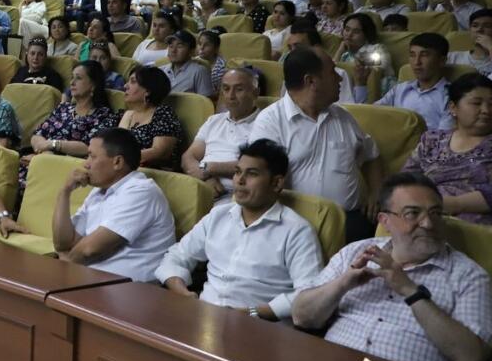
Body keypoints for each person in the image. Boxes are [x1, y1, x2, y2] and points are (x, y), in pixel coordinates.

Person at [291, 172, 492, 361]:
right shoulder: (354, 252)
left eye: (435, 213)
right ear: (385, 220)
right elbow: (301, 316)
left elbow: (472, 359)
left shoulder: (469, 276)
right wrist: (342, 284)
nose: (428, 224)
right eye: (412, 213)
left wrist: (410, 291)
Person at [158, 140, 324, 319]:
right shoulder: (218, 216)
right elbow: (176, 256)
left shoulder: (296, 231)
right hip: (204, 317)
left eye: (252, 174)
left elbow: (309, 294)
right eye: (237, 172)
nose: (240, 180)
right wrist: (183, 293)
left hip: (258, 326)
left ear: (276, 183)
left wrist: (252, 312)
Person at [249, 47, 382, 241]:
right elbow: (261, 182)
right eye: (332, 72)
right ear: (310, 81)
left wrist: (376, 192)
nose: (340, 79)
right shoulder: (270, 122)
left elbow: (372, 155)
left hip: (349, 222)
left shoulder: (343, 117)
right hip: (294, 226)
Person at [51, 127, 176, 281]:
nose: (86, 164)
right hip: (93, 280)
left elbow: (90, 250)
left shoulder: (141, 192)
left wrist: (64, 265)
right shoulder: (99, 191)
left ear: (117, 162)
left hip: (129, 288)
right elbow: (62, 243)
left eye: (92, 156)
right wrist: (65, 192)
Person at [402, 74, 492, 227]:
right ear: (453, 108)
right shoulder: (432, 140)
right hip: (424, 220)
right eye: (476, 103)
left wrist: (453, 204)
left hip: (482, 228)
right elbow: (404, 182)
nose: (486, 110)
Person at [181, 68, 261, 202]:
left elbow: (255, 166)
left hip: (235, 194)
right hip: (200, 185)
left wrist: (209, 168)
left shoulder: (265, 124)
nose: (231, 96)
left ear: (255, 93)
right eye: (226, 89)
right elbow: (188, 157)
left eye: (239, 89)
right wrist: (206, 177)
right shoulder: (214, 120)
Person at [26, 61, 121, 162]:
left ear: (93, 85)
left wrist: (52, 145)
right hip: (41, 160)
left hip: (70, 165)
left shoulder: (103, 115)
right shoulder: (63, 108)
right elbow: (37, 135)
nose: (72, 82)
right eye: (72, 77)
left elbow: (89, 146)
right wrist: (45, 154)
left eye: (78, 78)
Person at [360, 33, 454, 130]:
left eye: (424, 55)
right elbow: (370, 114)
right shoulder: (400, 89)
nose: (417, 62)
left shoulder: (451, 96)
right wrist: (361, 83)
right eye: (412, 55)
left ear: (442, 60)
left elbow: (443, 136)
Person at [160, 31, 214, 97]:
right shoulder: (161, 71)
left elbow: (206, 101)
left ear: (191, 51)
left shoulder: (200, 71)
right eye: (171, 46)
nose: (173, 50)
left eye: (179, 46)